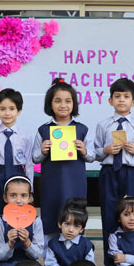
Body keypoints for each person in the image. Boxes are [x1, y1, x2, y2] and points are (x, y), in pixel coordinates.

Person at [32, 78, 95, 238]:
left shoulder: (81, 129)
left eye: (68, 101)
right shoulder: (44, 130)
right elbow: (35, 158)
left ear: (74, 104)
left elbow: (92, 156)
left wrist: (84, 150)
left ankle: (76, 250)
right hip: (52, 183)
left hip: (75, 183)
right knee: (52, 215)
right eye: (57, 101)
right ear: (50, 104)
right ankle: (51, 251)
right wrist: (43, 151)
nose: (63, 105)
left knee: (75, 214)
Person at [94, 77, 134, 254]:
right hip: (109, 172)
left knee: (131, 214)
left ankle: (131, 257)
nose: (122, 100)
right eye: (117, 96)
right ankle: (110, 261)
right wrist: (106, 150)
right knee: (109, 214)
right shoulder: (103, 125)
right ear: (110, 101)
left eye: (126, 96)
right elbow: (95, 153)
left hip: (131, 173)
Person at [0, 88, 35, 217]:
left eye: (12, 109)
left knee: (17, 213)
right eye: (2, 109)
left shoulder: (26, 136)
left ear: (19, 111)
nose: (7, 113)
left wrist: (30, 189)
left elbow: (29, 164)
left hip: (18, 174)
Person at [0, 175, 44, 266]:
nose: (18, 200)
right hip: (6, 264)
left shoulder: (36, 221)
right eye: (13, 195)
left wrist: (27, 242)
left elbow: (37, 254)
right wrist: (10, 244)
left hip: (29, 262)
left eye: (23, 196)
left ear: (30, 198)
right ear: (5, 197)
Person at [44, 198, 95, 266]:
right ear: (59, 224)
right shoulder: (53, 243)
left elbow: (89, 265)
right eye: (67, 224)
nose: (71, 230)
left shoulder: (86, 245)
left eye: (76, 226)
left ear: (81, 229)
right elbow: (50, 264)